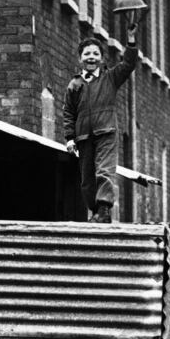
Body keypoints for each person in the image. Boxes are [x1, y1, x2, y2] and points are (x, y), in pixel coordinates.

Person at [62, 24, 138, 223]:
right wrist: (69, 138)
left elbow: (129, 64)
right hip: (83, 136)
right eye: (87, 54)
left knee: (104, 170)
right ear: (80, 59)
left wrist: (130, 39)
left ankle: (104, 209)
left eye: (96, 54)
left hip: (106, 131)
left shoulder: (110, 78)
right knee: (87, 178)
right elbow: (68, 112)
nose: (91, 57)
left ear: (102, 59)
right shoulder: (74, 84)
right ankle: (96, 212)